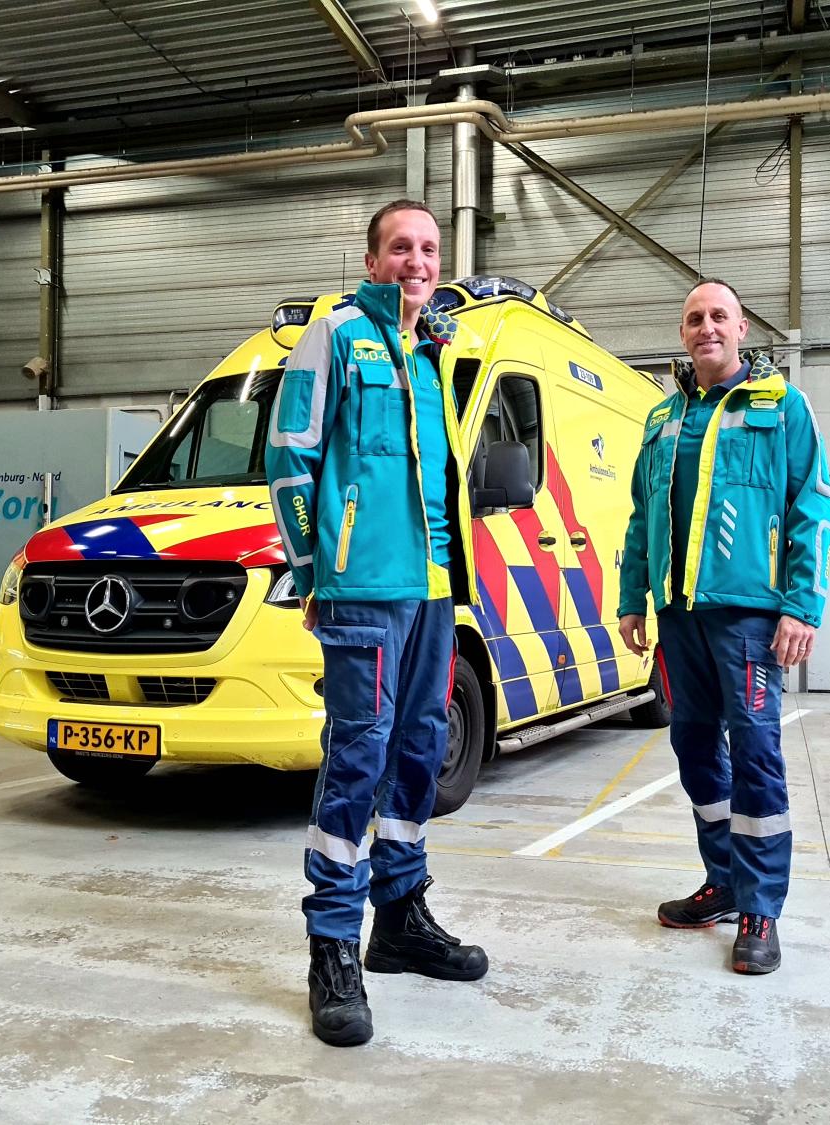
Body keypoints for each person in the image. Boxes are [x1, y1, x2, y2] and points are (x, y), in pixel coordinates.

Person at [265, 200, 486, 1046]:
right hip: (361, 587)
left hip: (431, 589)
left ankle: (398, 917)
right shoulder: (337, 333)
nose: (417, 261)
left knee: (419, 750)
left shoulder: (433, 353)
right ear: (372, 258)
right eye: (402, 247)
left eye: (429, 249)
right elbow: (291, 457)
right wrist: (314, 570)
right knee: (358, 752)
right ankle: (332, 945)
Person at [617, 278, 830, 975]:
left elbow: (812, 506)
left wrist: (803, 604)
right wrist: (632, 599)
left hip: (748, 619)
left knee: (757, 755)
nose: (705, 326)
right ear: (682, 334)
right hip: (678, 616)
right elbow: (641, 516)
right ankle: (724, 879)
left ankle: (761, 905)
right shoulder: (660, 420)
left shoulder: (782, 407)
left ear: (742, 330)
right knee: (695, 749)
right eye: (693, 318)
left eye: (718, 316)